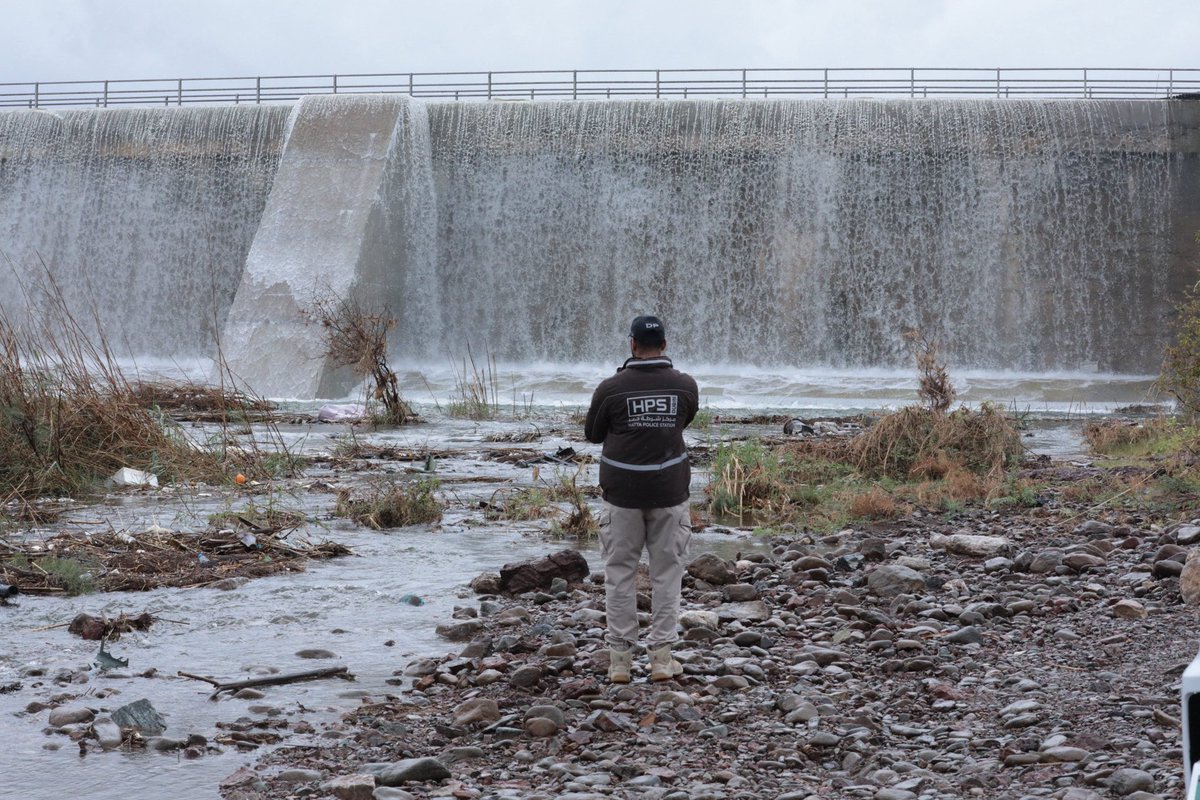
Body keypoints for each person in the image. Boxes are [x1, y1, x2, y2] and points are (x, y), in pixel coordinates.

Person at [584, 315, 699, 683]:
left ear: (632, 344)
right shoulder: (684, 386)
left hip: (621, 495)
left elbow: (592, 434)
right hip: (669, 493)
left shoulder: (611, 388)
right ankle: (662, 660)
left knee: (620, 574)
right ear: (664, 345)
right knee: (668, 574)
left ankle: (620, 662)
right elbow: (684, 421)